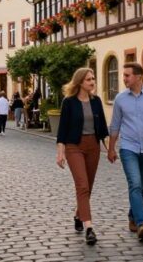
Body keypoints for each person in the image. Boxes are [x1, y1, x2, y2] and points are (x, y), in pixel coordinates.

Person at [107, 63, 143, 242]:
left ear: (139, 77)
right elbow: (115, 125)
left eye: (127, 75)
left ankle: (132, 216)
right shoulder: (120, 99)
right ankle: (142, 224)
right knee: (135, 184)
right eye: (123, 75)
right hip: (128, 148)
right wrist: (111, 148)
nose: (123, 78)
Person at [55, 68, 109, 246]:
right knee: (82, 185)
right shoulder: (69, 102)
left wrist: (109, 148)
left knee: (88, 186)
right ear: (79, 82)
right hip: (74, 146)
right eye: (88, 80)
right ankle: (89, 228)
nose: (92, 82)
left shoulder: (96, 101)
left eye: (93, 78)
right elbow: (62, 129)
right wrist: (60, 152)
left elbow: (102, 127)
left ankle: (79, 215)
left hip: (93, 146)